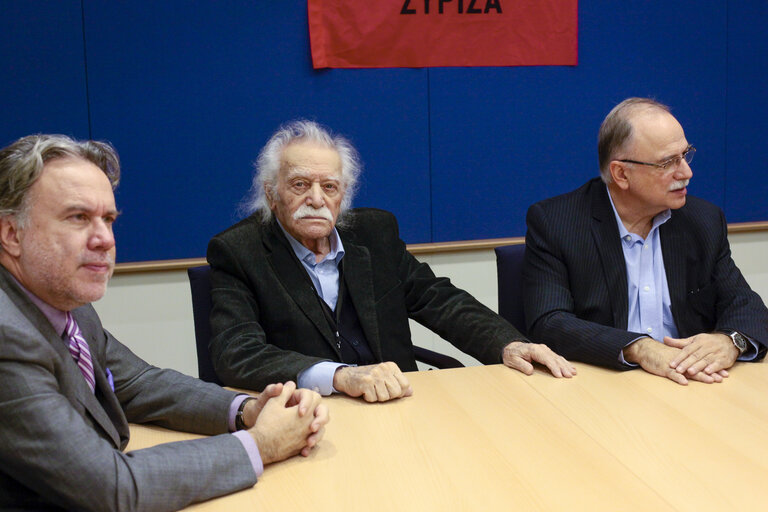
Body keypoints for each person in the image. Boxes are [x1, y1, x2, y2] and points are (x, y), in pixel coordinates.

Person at [0, 134, 330, 512]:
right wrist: (262, 444)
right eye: (78, 218)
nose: (105, 240)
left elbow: (139, 383)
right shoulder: (7, 334)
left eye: (108, 219)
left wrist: (247, 411)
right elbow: (112, 488)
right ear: (12, 234)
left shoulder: (62, 301)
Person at [207, 120, 575, 403]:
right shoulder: (239, 252)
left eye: (330, 187)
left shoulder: (374, 233)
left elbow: (438, 299)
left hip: (397, 402)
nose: (317, 199)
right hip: (308, 413)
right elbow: (237, 353)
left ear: (343, 195)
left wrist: (507, 344)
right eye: (300, 184)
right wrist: (339, 376)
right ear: (272, 194)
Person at [523, 97, 768, 385]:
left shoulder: (702, 220)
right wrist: (639, 347)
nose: (686, 173)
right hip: (601, 387)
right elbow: (550, 323)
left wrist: (730, 341)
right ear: (621, 174)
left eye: (685, 155)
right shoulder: (557, 223)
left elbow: (745, 304)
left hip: (690, 387)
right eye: (668, 162)